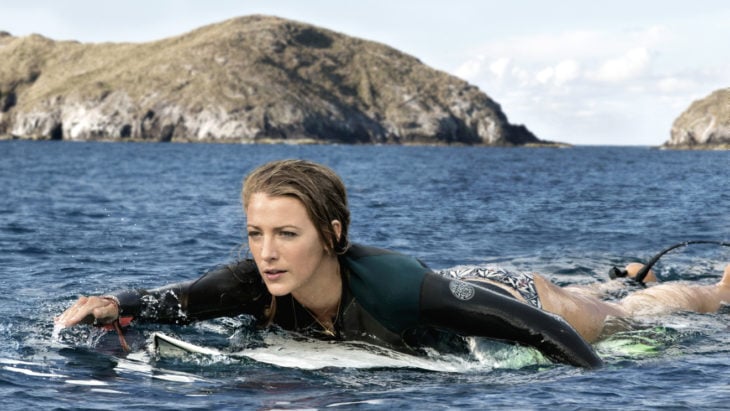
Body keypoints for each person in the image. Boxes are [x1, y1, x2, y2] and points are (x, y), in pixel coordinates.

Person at [56, 159, 730, 369]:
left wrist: (593, 380)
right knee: (611, 291)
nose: (266, 251)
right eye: (256, 231)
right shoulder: (249, 282)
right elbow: (168, 301)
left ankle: (716, 287)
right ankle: (625, 270)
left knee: (619, 311)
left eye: (286, 233)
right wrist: (110, 303)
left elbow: (539, 331)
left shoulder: (398, 286)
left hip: (507, 291)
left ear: (331, 233)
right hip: (455, 292)